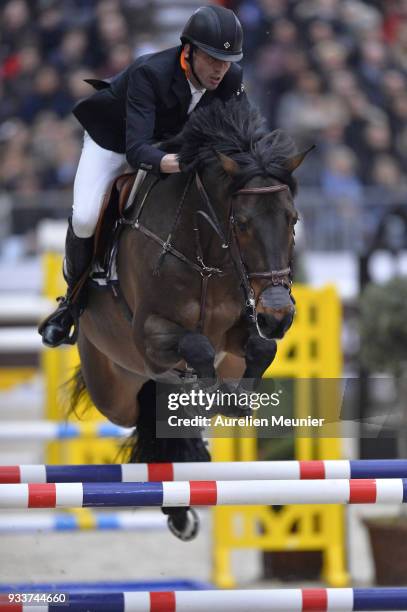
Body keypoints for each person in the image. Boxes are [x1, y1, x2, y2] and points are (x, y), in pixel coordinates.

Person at [38, 5, 245, 348]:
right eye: (212, 59)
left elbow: (239, 135)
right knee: (88, 217)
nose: (220, 69)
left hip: (168, 144)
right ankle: (71, 303)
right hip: (114, 141)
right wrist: (183, 161)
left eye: (227, 61)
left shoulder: (230, 79)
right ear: (188, 51)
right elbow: (137, 150)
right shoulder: (151, 73)